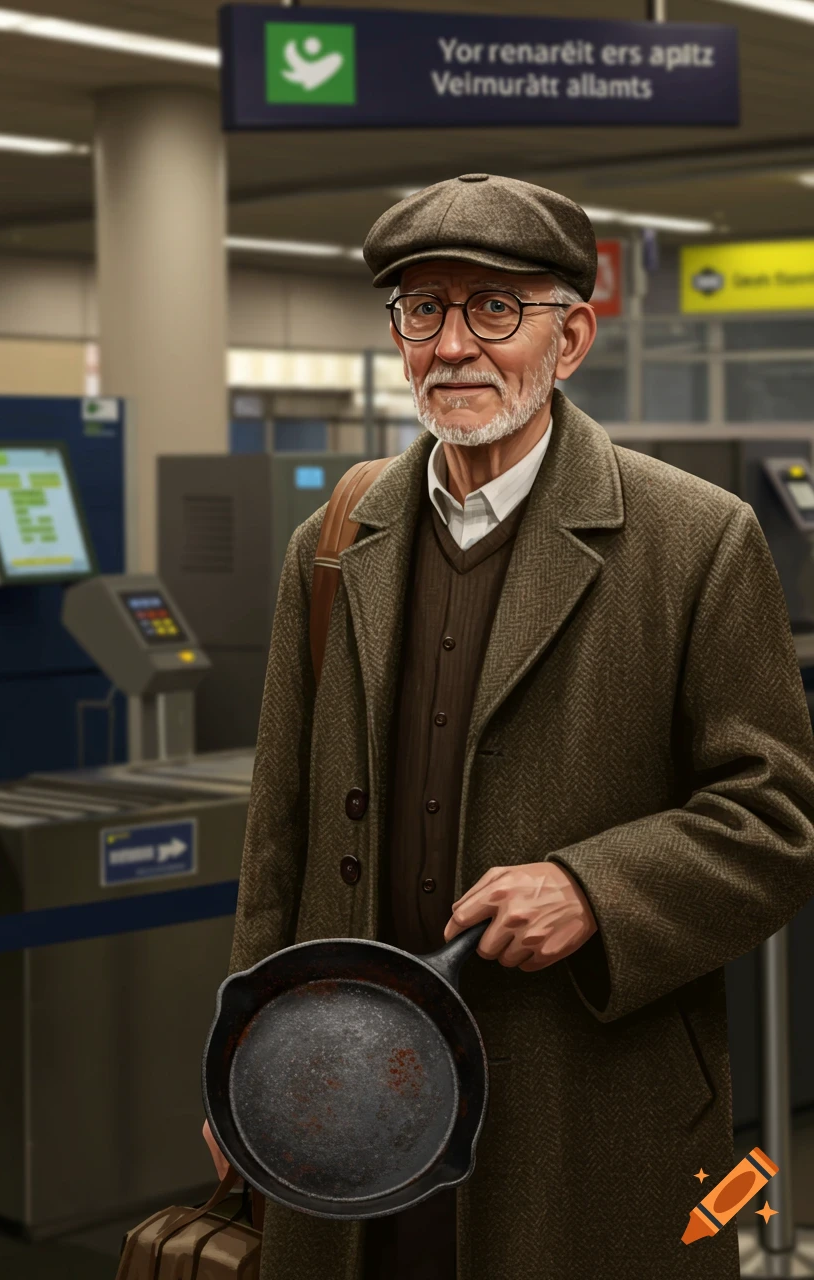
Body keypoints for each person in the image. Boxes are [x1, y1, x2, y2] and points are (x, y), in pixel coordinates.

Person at [203, 174, 814, 1280]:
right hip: (353, 1087)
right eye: (422, 308)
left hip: (578, 1104)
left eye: (495, 309)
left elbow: (773, 820)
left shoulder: (694, 541)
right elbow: (277, 833)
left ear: (569, 335)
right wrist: (245, 1049)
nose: (452, 345)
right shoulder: (333, 541)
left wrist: (594, 885)